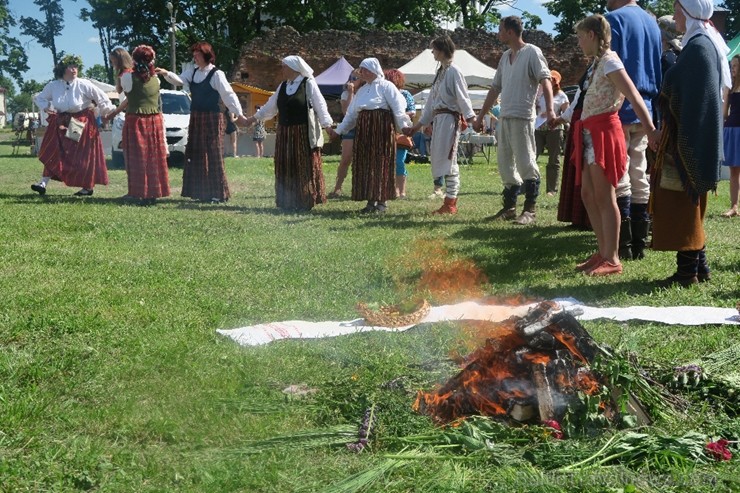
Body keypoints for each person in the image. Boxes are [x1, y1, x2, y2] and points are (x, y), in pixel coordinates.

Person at [648, 0, 730, 286]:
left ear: (687, 11)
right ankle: (700, 267)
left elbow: (682, 91)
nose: (674, 15)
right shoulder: (703, 43)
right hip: (691, 136)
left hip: (688, 140)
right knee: (688, 204)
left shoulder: (697, 48)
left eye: (676, 9)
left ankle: (687, 274)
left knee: (682, 204)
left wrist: (668, 86)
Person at [572, 15, 656, 277]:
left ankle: (613, 258)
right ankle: (602, 251)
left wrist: (651, 130)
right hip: (589, 132)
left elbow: (633, 94)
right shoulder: (598, 62)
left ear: (592, 35)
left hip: (604, 133)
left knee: (605, 196)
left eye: (580, 36)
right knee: (588, 194)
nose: (578, 42)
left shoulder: (610, 61)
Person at [474, 16, 555, 225]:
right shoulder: (504, 57)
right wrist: (481, 115)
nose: (498, 34)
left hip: (523, 116)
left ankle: (530, 210)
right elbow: (495, 88)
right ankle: (509, 208)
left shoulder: (532, 52)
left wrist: (551, 110)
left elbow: (546, 81)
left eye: (500, 30)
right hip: (505, 117)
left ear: (510, 32)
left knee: (526, 161)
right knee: (505, 164)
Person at [605, 0, 662, 261]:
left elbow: (607, 66)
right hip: (646, 105)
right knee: (639, 173)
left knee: (619, 175)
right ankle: (639, 242)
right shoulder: (652, 22)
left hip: (619, 105)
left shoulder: (613, 19)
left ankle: (625, 244)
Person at [159, 41, 248, 203]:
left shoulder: (216, 74)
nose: (195, 58)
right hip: (196, 117)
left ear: (206, 55)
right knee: (196, 153)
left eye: (197, 55)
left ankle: (219, 193)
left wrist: (239, 114)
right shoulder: (192, 72)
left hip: (212, 118)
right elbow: (178, 81)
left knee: (213, 154)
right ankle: (201, 192)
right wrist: (166, 73)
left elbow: (228, 94)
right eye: (194, 55)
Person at [245, 56, 333, 211]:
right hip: (285, 132)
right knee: (285, 165)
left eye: (284, 66)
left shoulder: (308, 84)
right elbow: (270, 108)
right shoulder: (283, 86)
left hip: (302, 132)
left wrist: (328, 126)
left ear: (293, 68)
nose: (282, 69)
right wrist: (252, 119)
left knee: (302, 165)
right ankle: (287, 201)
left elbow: (321, 106)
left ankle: (305, 200)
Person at [328, 58, 411, 214]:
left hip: (381, 130)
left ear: (373, 70)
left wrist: (405, 127)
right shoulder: (363, 90)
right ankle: (370, 201)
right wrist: (338, 131)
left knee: (381, 163)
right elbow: (351, 115)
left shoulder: (387, 87)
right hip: (364, 131)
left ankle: (382, 202)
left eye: (365, 69)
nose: (362, 73)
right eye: (361, 70)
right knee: (366, 164)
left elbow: (398, 109)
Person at [404, 35, 474, 214]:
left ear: (442, 50)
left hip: (450, 120)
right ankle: (449, 201)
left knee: (449, 160)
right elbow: (430, 104)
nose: (432, 53)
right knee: (440, 158)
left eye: (434, 49)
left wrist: (472, 118)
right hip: (440, 120)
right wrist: (417, 126)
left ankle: (450, 202)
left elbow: (462, 97)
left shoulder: (453, 71)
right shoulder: (441, 72)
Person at [32, 54, 116, 196]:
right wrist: (46, 107)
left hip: (79, 121)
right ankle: (43, 183)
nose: (74, 69)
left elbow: (102, 98)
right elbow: (39, 97)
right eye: (70, 66)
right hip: (60, 121)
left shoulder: (84, 84)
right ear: (63, 69)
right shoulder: (54, 85)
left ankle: (87, 187)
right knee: (53, 150)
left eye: (75, 66)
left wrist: (106, 113)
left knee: (79, 154)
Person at [106, 45, 170, 206]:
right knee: (152, 157)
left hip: (136, 118)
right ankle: (150, 192)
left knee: (136, 158)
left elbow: (128, 98)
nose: (113, 64)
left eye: (114, 61)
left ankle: (139, 192)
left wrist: (114, 113)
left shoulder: (127, 77)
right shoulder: (155, 78)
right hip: (154, 119)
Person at [534, 70, 570, 196]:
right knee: (532, 156)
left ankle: (551, 189)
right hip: (538, 128)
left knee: (553, 159)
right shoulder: (540, 93)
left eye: (553, 80)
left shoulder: (562, 96)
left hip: (554, 129)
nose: (550, 82)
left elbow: (566, 113)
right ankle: (528, 185)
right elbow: (533, 107)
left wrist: (556, 117)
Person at [329, 70, 364, 198]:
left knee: (362, 160)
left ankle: (360, 188)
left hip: (364, 128)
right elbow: (346, 112)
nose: (353, 79)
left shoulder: (366, 92)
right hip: (350, 129)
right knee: (346, 159)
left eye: (357, 77)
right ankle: (338, 188)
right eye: (352, 77)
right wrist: (350, 93)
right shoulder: (345, 93)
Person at [385, 68, 416, 199]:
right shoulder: (383, 93)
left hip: (401, 132)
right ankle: (390, 189)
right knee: (386, 161)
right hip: (385, 131)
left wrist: (397, 115)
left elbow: (412, 111)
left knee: (399, 161)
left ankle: (401, 191)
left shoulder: (405, 94)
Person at [722, 55, 740, 218]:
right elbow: (723, 112)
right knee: (734, 171)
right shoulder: (730, 86)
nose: (732, 69)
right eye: (731, 66)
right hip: (732, 129)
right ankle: (734, 206)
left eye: (735, 66)